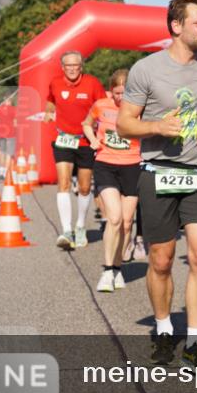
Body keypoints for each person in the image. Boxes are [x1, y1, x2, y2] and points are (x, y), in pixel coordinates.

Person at [117, 0, 197, 368]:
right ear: (176, 26)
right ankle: (164, 330)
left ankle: (196, 340)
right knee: (161, 261)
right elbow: (124, 123)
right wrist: (156, 126)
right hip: (159, 172)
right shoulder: (145, 69)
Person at [83, 69, 141, 293]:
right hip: (106, 164)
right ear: (110, 92)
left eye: (125, 93)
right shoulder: (101, 105)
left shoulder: (139, 109)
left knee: (127, 222)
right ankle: (107, 270)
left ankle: (117, 268)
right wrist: (92, 140)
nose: (121, 98)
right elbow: (87, 123)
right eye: (117, 93)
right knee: (114, 217)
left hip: (132, 166)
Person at [45, 51, 106, 249]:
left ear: (81, 66)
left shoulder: (92, 83)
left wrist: (100, 131)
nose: (72, 69)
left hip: (86, 141)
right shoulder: (55, 83)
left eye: (76, 65)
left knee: (85, 187)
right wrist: (48, 111)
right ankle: (66, 230)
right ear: (62, 67)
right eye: (68, 65)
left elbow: (103, 106)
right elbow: (50, 99)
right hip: (63, 139)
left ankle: (80, 225)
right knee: (63, 183)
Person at [0, 96, 17, 176]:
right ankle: (6, 172)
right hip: (11, 133)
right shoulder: (13, 109)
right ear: (10, 100)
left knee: (2, 152)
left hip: (1, 133)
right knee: (9, 153)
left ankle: (1, 171)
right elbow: (15, 122)